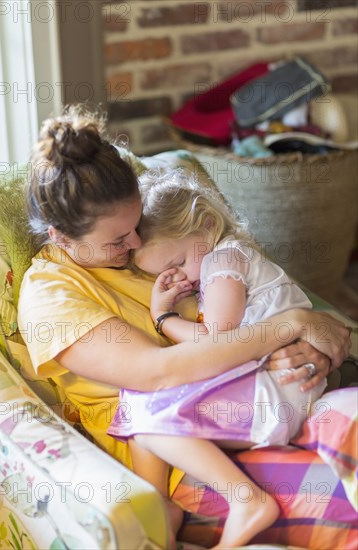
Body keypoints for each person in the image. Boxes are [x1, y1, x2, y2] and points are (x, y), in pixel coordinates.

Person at [18, 105, 350, 547]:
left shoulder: (158, 241)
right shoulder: (52, 294)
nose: (135, 245)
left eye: (135, 226)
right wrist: (290, 326)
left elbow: (256, 291)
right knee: (344, 508)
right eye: (117, 240)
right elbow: (159, 372)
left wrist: (319, 343)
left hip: (254, 401)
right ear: (60, 236)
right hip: (181, 456)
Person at [108, 168, 328, 547]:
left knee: (147, 418)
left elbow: (217, 343)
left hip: (277, 391)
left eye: (175, 263)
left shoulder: (223, 260)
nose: (178, 280)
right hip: (278, 385)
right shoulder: (224, 259)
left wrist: (164, 318)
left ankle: (247, 501)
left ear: (207, 225)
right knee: (138, 416)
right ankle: (160, 509)